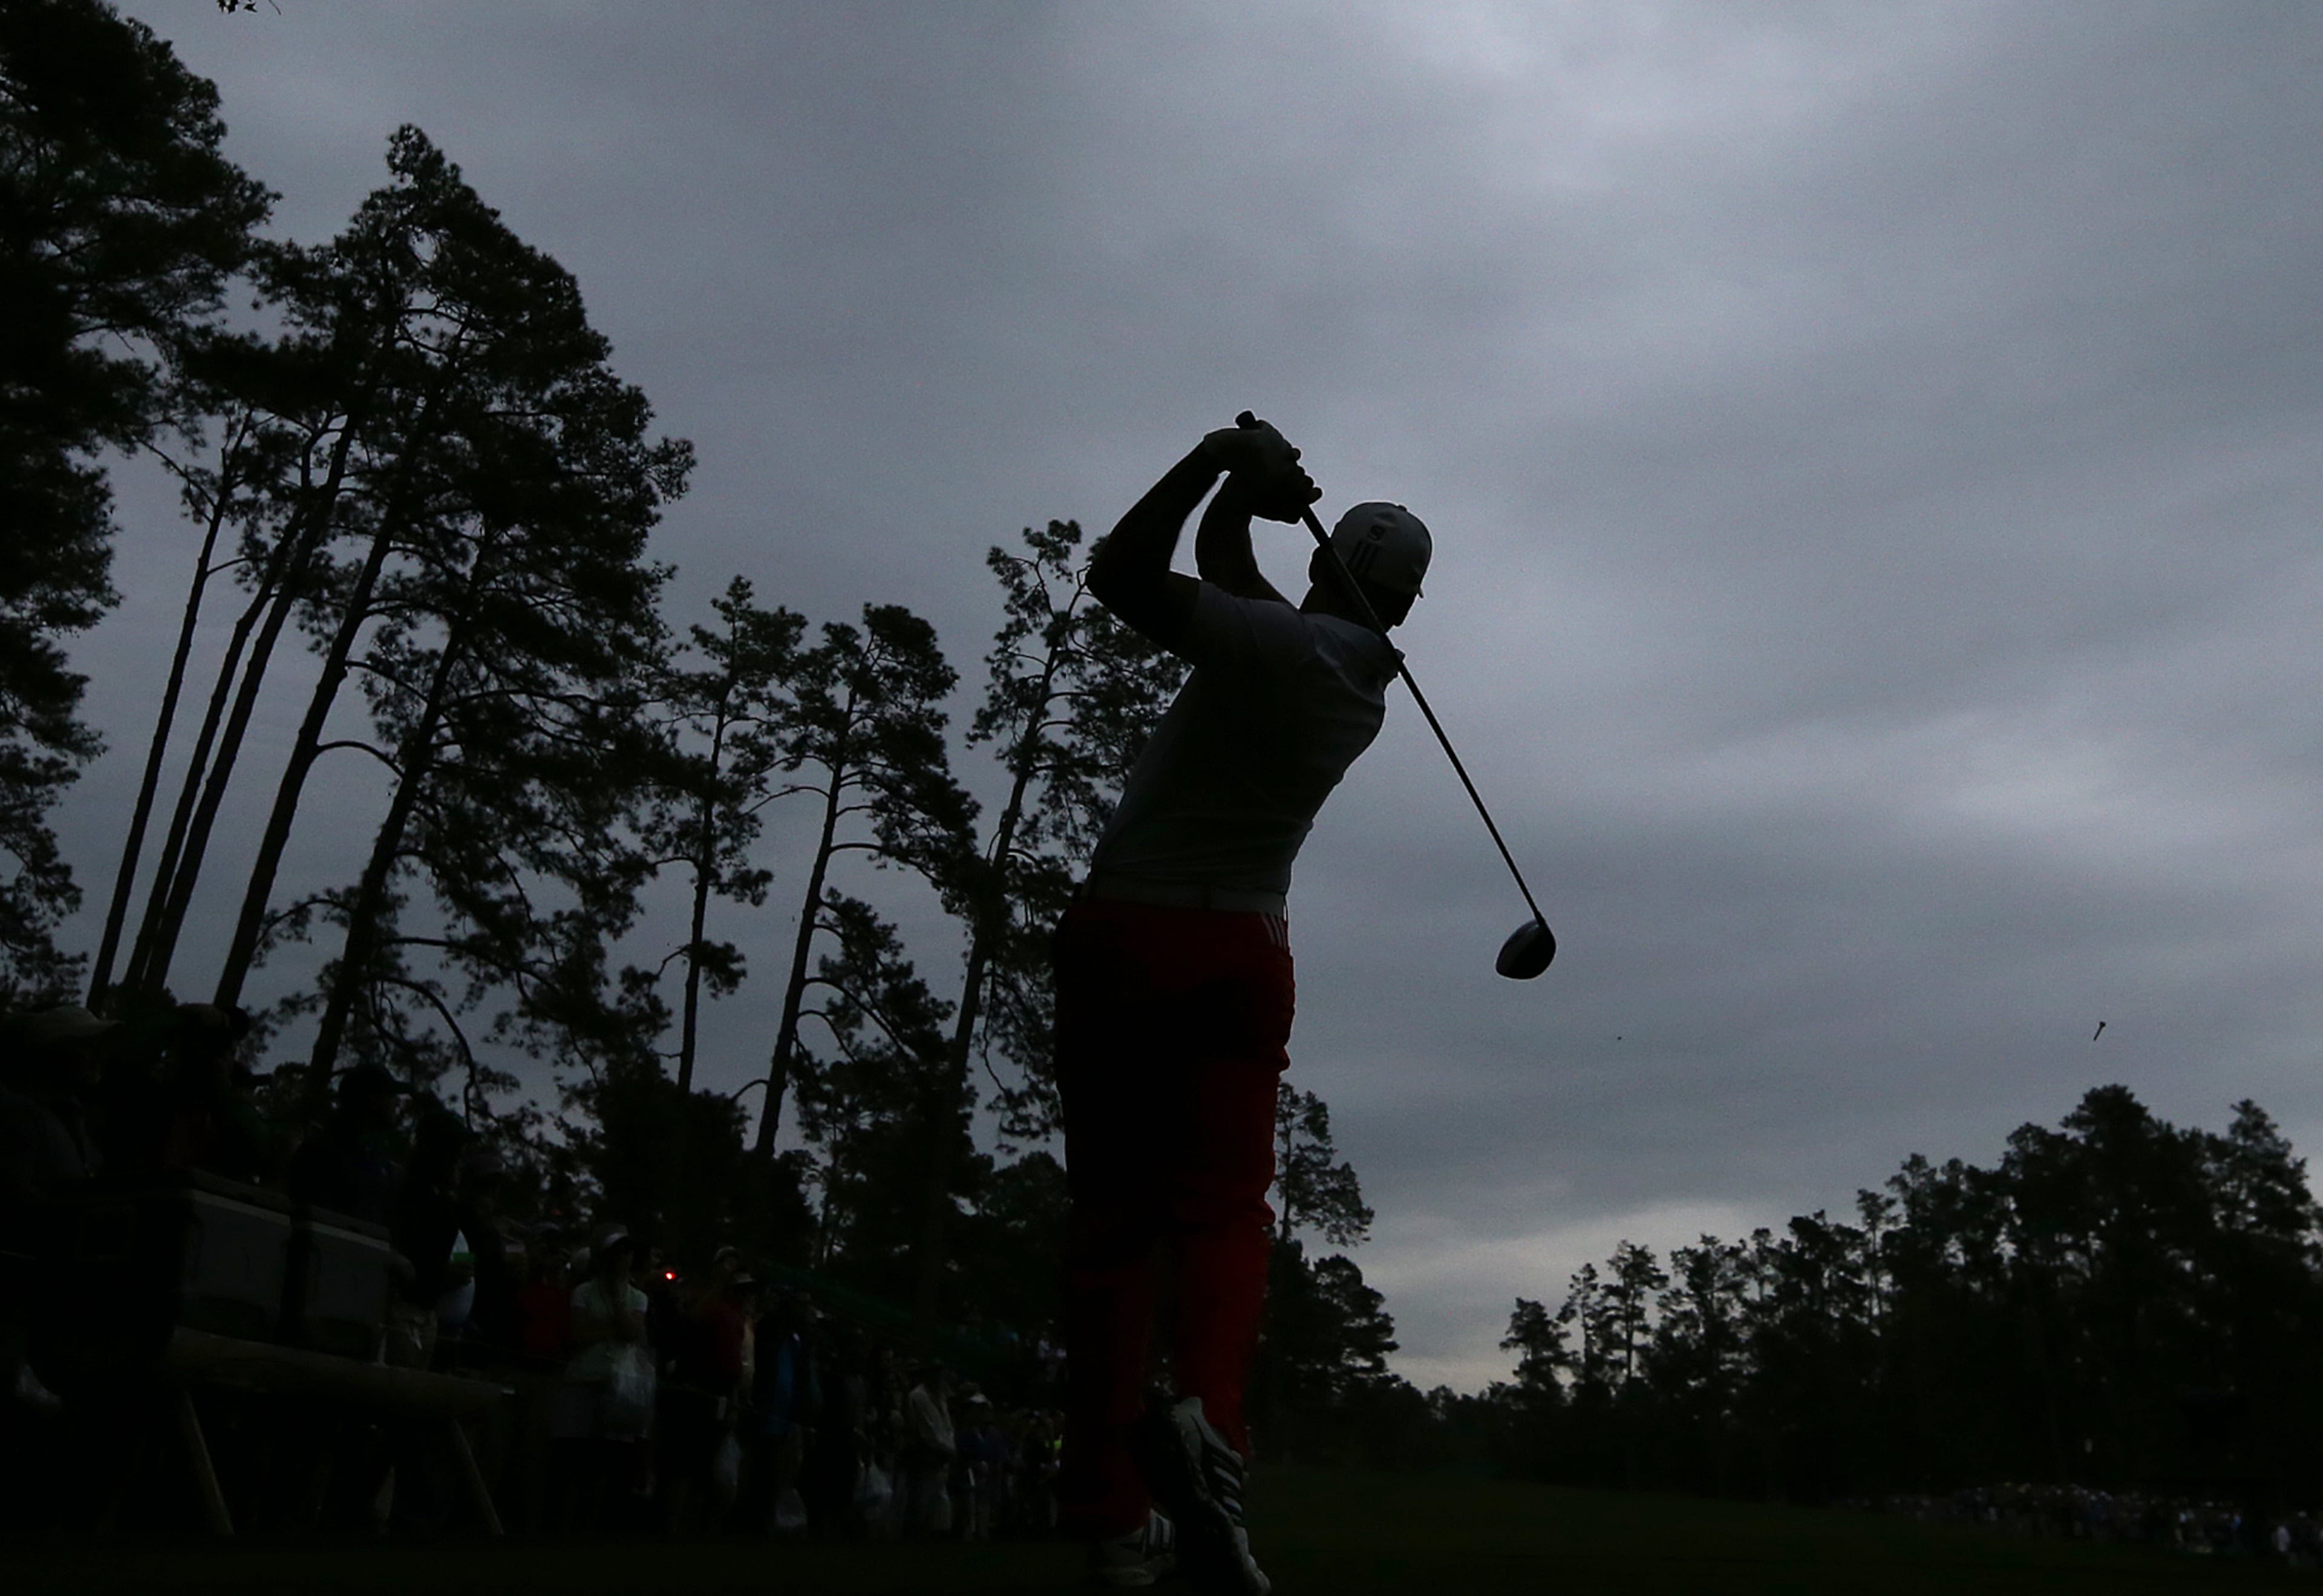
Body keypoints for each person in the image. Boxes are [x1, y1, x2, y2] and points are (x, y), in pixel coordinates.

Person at [1056, 414, 1428, 1594]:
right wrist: (1254, 502)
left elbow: (1122, 573)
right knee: (1224, 1210)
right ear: (1403, 605)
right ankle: (1211, 1425)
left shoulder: (1275, 644)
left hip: (1131, 929)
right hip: (1246, 949)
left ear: (1326, 570)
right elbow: (1236, 581)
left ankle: (1116, 1518)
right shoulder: (1358, 682)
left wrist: (1218, 458)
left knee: (1118, 1232)